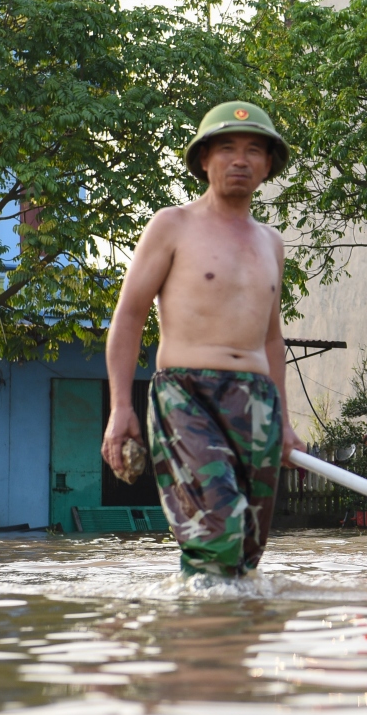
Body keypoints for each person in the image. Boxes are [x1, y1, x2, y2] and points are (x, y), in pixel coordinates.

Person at [101, 100, 306, 578]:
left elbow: (273, 339)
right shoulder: (172, 225)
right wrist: (120, 408)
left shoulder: (271, 242)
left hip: (257, 401)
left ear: (268, 164)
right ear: (203, 160)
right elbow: (128, 317)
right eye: (227, 148)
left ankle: (229, 642)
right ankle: (201, 647)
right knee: (216, 531)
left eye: (254, 150)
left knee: (249, 548)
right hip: (186, 393)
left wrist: (285, 420)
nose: (241, 160)